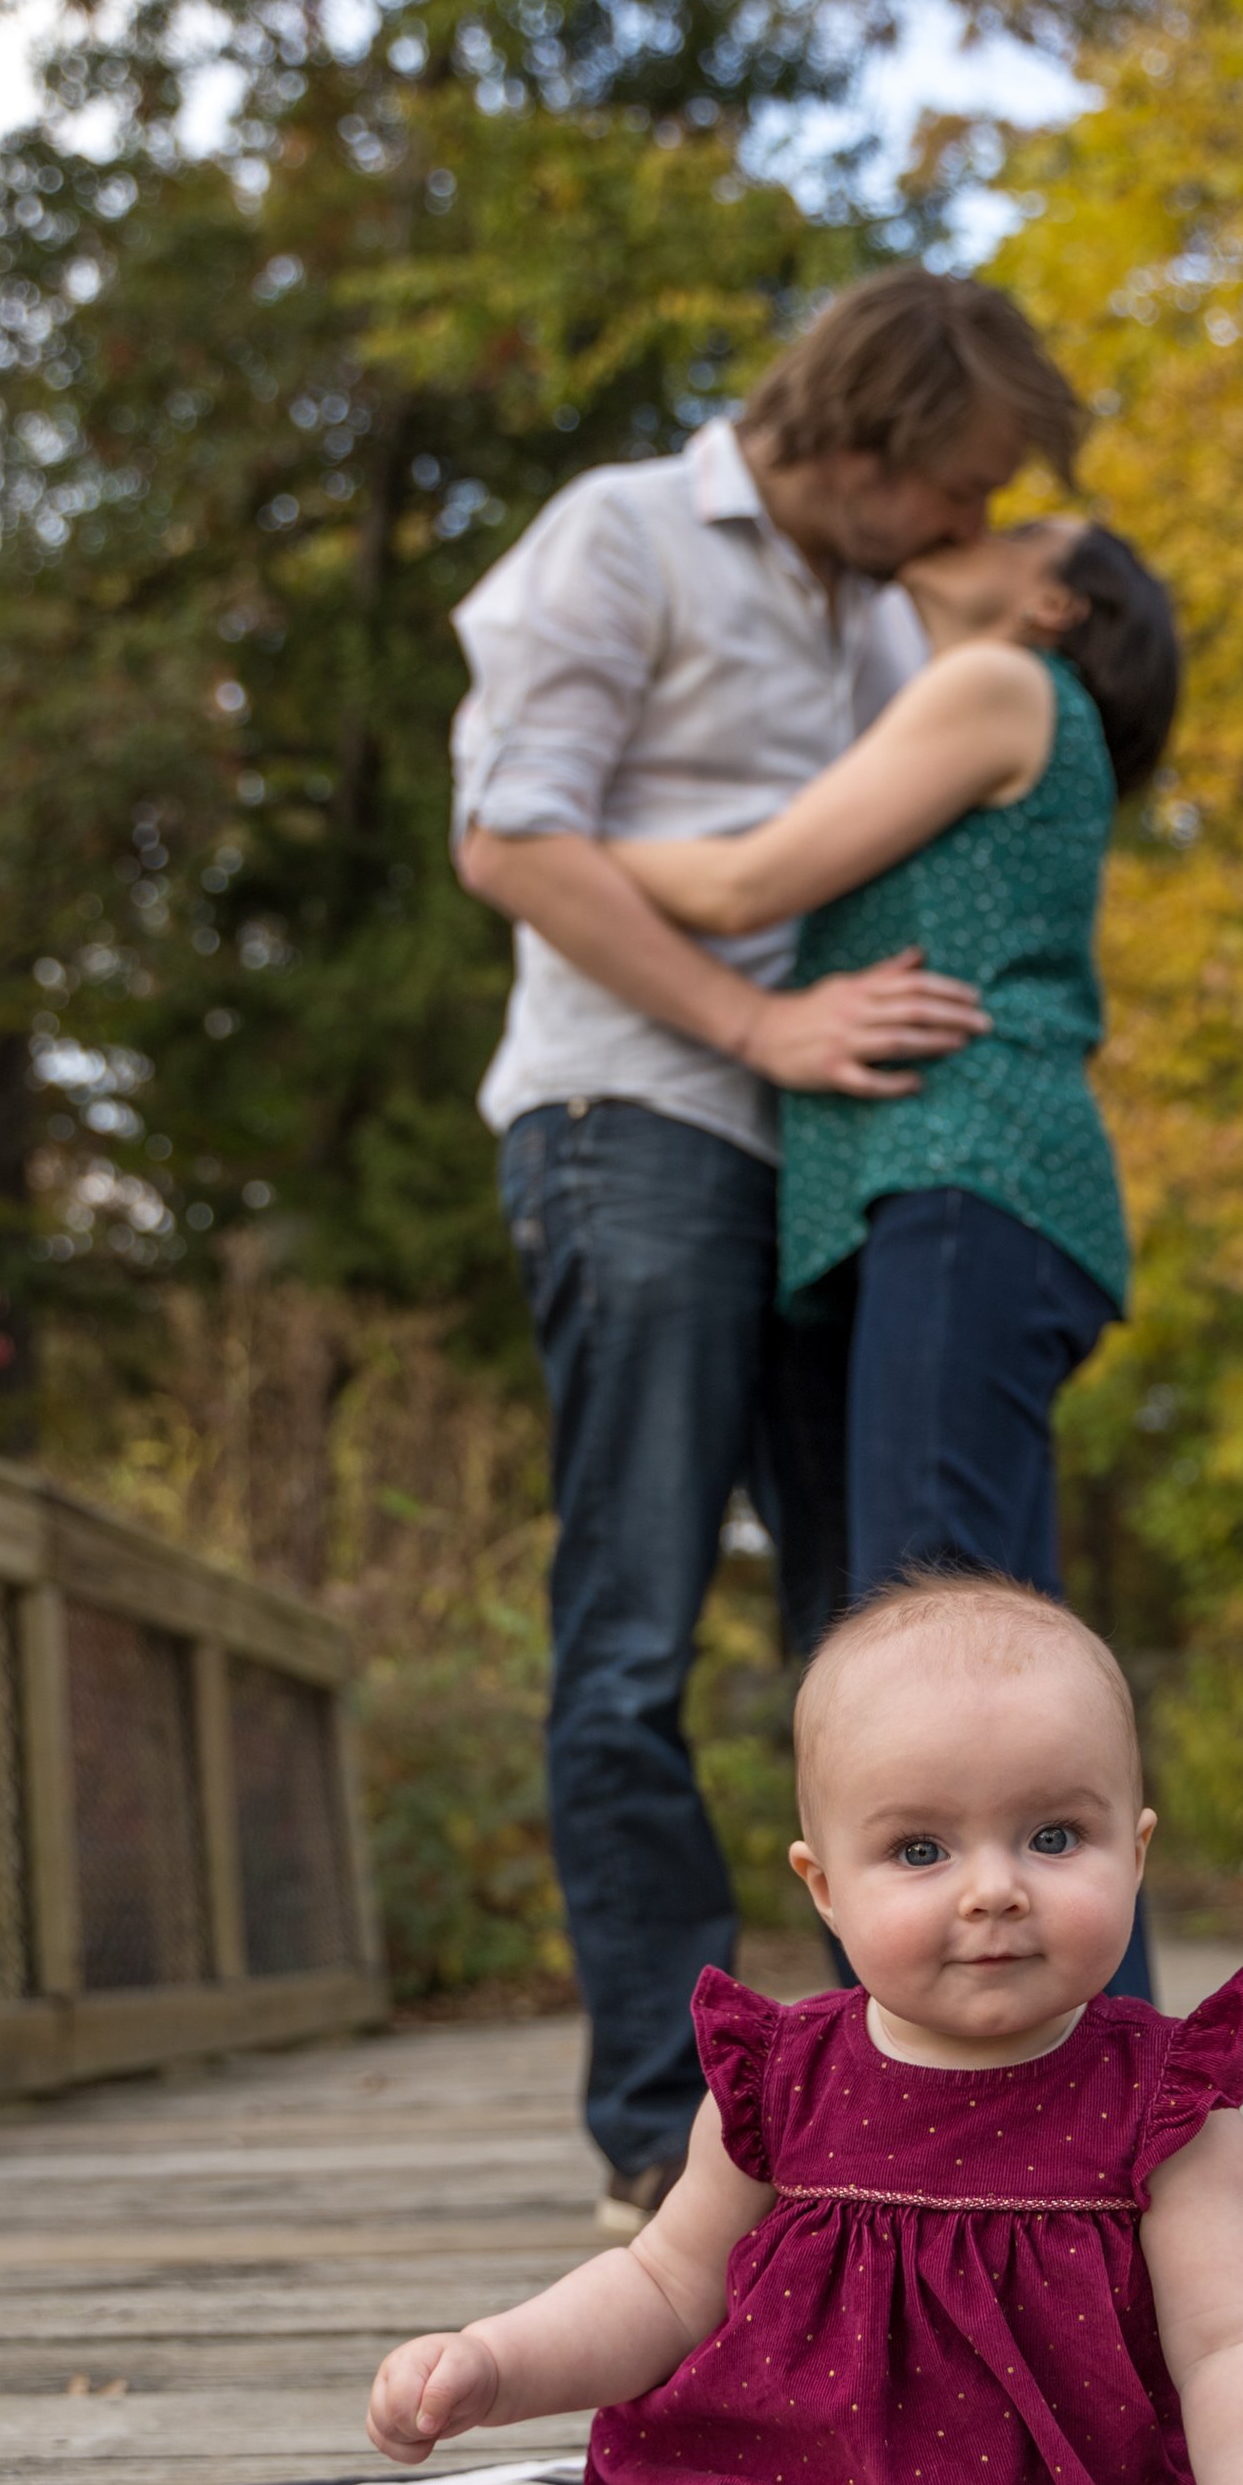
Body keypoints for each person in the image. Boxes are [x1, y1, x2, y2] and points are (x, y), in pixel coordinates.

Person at [367, 1575, 1243, 2485]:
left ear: (1135, 1855)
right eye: (920, 1849)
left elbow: (1237, 2351)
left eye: (1054, 1837)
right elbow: (663, 2287)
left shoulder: (1164, 2109)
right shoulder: (778, 2086)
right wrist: (494, 2361)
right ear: (823, 1886)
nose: (994, 1887)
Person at [451, 269, 1085, 2239]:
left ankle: (884, 2106)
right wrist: (747, 1025)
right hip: (631, 1122)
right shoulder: (621, 535)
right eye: (955, 485)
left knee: (869, 1634)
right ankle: (663, 2128)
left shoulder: (889, 610)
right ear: (872, 443)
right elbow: (513, 838)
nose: (965, 524)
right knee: (634, 1628)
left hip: (836, 1159)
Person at [610, 513, 1179, 1999]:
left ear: (1055, 598)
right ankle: (1045, 2090)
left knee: (956, 1662)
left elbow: (746, 885)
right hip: (929, 1203)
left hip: (967, 1180)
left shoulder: (999, 680)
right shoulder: (977, 701)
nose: (964, 520)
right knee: (953, 1650)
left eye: (1016, 521)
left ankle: (1098, 2123)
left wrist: (556, 850)